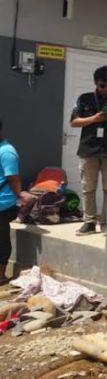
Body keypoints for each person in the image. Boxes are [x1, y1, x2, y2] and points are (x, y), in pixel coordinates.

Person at [70, 65, 107, 236]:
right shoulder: (84, 98)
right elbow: (73, 122)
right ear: (96, 83)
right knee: (88, 188)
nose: (106, 89)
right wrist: (94, 119)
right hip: (88, 150)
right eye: (103, 85)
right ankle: (89, 221)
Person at [0, 120, 21, 286]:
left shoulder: (7, 152)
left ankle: (1, 274)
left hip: (4, 204)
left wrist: (20, 195)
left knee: (1, 238)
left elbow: (13, 178)